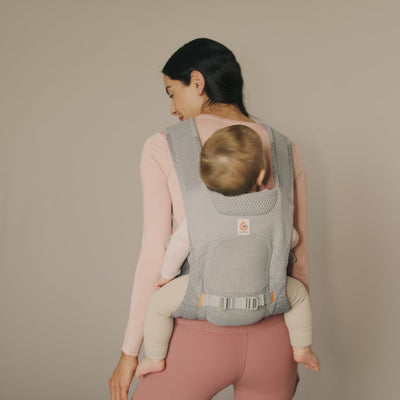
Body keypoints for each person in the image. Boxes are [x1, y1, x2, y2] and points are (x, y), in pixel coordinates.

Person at [109, 38, 312, 400]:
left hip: (195, 337)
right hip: (274, 342)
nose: (172, 107)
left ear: (198, 82)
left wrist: (129, 353)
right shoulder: (284, 147)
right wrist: (297, 346)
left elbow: (154, 255)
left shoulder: (163, 145)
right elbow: (298, 257)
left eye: (172, 92)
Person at [135, 125, 319, 379]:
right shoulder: (277, 209)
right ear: (261, 174)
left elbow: (178, 246)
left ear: (206, 177)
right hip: (266, 300)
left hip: (203, 301)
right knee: (299, 297)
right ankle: (302, 349)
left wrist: (166, 275)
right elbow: (292, 239)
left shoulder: (200, 211)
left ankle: (155, 358)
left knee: (157, 305)